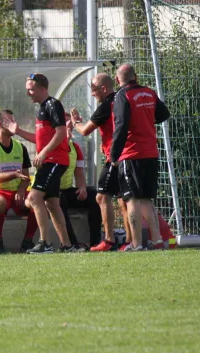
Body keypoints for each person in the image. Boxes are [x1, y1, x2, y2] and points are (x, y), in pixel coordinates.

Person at [4, 73, 75, 253]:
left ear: (43, 88)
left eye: (31, 89)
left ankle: (45, 243)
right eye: (27, 89)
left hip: (54, 161)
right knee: (51, 203)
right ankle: (66, 245)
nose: (28, 93)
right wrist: (18, 131)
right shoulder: (42, 108)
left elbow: (60, 133)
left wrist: (43, 154)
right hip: (49, 161)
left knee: (34, 198)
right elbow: (39, 139)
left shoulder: (53, 104)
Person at [110, 64, 171, 251]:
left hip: (131, 153)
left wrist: (114, 154)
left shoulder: (122, 95)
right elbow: (163, 114)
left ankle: (136, 244)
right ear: (135, 76)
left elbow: (120, 126)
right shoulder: (149, 93)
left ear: (117, 80)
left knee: (132, 199)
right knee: (146, 198)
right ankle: (157, 240)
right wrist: (145, 119)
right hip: (151, 152)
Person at [70, 72, 128, 251]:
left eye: (94, 90)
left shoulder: (106, 105)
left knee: (102, 196)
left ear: (104, 88)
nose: (93, 94)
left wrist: (75, 123)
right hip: (126, 156)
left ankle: (109, 240)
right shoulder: (121, 100)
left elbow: (86, 130)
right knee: (123, 200)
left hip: (114, 158)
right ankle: (130, 241)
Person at [0, 110, 38, 253]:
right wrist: (14, 174)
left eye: (14, 120)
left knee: (38, 201)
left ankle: (27, 242)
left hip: (17, 191)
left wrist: (20, 189)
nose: (15, 124)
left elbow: (26, 176)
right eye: (10, 121)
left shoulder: (20, 146)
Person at [59, 114, 102, 249]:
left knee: (94, 195)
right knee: (58, 200)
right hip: (50, 192)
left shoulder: (75, 148)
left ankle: (96, 243)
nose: (69, 125)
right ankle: (72, 244)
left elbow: (79, 173)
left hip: (66, 189)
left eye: (69, 122)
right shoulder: (50, 145)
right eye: (65, 122)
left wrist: (82, 188)